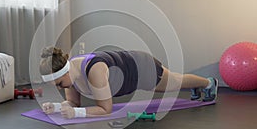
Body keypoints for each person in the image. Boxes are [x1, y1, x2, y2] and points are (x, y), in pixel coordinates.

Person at [40, 46, 218, 119]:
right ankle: (200, 84)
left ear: (66, 70)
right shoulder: (70, 77)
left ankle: (208, 83)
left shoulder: (94, 70)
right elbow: (73, 102)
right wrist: (56, 107)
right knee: (175, 81)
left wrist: (76, 113)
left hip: (141, 68)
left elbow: (105, 109)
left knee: (175, 82)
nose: (59, 88)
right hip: (128, 65)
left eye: (59, 84)